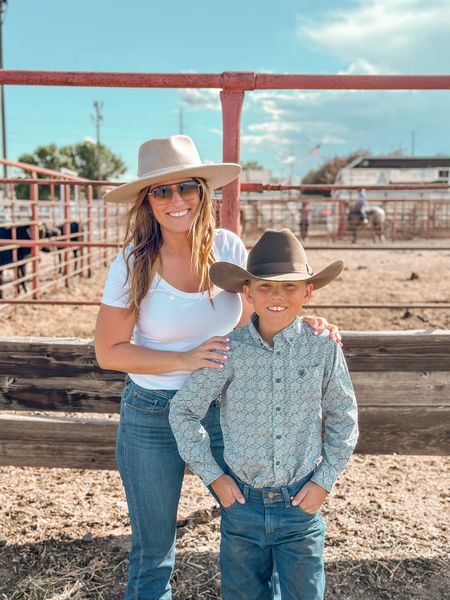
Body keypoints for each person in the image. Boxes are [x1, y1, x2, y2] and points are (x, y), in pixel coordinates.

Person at [95, 135, 342, 599]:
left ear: (203, 192)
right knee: (154, 552)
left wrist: (309, 322)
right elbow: (109, 351)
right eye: (161, 191)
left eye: (186, 186)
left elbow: (267, 299)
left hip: (227, 411)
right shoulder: (133, 263)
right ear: (147, 202)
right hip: (153, 412)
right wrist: (185, 360)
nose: (176, 200)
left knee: (257, 531)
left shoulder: (227, 247)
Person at [169, 228, 358, 600]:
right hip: (243, 507)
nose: (276, 296)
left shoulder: (321, 348)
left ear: (308, 292)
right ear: (247, 291)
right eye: (265, 286)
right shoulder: (228, 351)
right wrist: (214, 477)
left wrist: (324, 480)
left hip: (300, 506)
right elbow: (183, 411)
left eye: (289, 287)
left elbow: (343, 417)